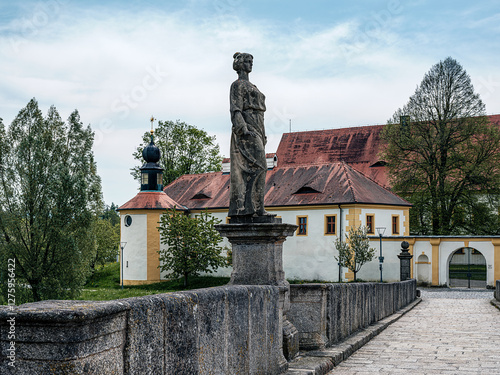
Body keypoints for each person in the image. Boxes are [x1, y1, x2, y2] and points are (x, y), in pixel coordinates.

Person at [228, 52, 270, 218]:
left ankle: (257, 207)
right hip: (247, 127)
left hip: (258, 126)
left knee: (259, 168)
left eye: (252, 61)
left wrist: (263, 132)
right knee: (259, 166)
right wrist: (242, 128)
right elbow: (235, 108)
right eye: (247, 61)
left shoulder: (253, 86)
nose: (251, 63)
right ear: (240, 64)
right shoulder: (237, 85)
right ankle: (250, 207)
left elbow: (261, 114)